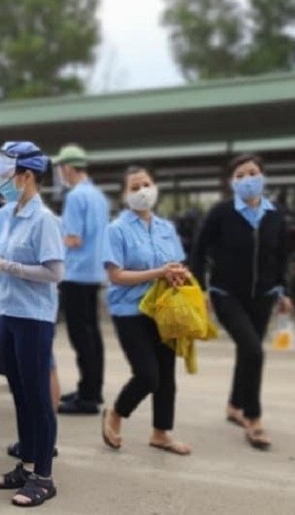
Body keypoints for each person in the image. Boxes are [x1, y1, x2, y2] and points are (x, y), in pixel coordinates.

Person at [0, 142, 63, 508]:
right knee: (20, 392)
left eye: (7, 176)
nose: (2, 183)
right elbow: (0, 257)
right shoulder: (5, 217)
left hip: (34, 317)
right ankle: (27, 464)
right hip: (8, 312)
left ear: (27, 177)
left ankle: (44, 476)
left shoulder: (44, 220)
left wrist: (6, 267)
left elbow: (54, 272)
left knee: (38, 397)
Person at [190, 154, 292, 450]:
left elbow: (282, 257)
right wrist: (201, 290)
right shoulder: (221, 213)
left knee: (248, 352)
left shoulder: (276, 216)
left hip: (264, 297)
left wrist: (284, 292)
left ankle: (235, 404)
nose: (247, 179)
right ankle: (253, 417)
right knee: (253, 350)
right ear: (232, 182)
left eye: (252, 172)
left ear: (262, 176)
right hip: (226, 295)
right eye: (240, 175)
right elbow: (198, 251)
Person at [100, 166, 192, 456]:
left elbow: (178, 265)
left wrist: (179, 275)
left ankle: (161, 433)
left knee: (166, 373)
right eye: (135, 187)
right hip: (129, 310)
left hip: (163, 308)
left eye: (146, 184)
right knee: (148, 374)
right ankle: (116, 412)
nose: (142, 191)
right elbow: (116, 275)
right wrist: (158, 273)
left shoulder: (166, 229)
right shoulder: (117, 230)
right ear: (125, 194)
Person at [54, 144, 110, 415]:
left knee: (81, 337)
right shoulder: (98, 196)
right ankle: (92, 389)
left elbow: (73, 239)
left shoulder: (76, 197)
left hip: (76, 273)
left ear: (67, 168)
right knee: (93, 335)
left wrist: (54, 234)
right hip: (94, 272)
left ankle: (87, 397)